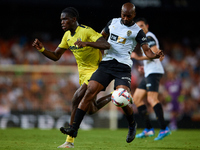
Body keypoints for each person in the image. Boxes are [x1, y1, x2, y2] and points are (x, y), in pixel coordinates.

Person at [60, 3, 164, 144]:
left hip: (123, 67)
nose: (126, 18)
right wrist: (89, 45)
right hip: (106, 64)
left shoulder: (137, 31)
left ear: (133, 15)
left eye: (129, 16)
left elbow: (147, 51)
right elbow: (101, 38)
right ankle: (74, 129)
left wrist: (155, 55)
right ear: (120, 13)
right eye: (124, 15)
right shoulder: (112, 22)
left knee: (121, 99)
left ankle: (132, 124)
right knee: (89, 92)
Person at [32, 7, 112, 148]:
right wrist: (42, 49)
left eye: (65, 19)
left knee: (76, 97)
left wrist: (87, 43)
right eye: (61, 20)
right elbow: (56, 56)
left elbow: (106, 44)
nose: (62, 22)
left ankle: (70, 140)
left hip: (96, 70)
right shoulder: (67, 36)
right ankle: (114, 96)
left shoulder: (86, 31)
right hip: (82, 73)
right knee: (91, 109)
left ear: (74, 19)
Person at [131, 18, 171, 140]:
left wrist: (137, 58)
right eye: (138, 26)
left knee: (151, 99)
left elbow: (153, 54)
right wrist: (145, 67)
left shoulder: (149, 36)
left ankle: (164, 128)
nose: (140, 28)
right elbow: (156, 55)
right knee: (137, 98)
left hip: (154, 72)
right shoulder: (144, 38)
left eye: (142, 25)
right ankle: (149, 129)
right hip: (149, 72)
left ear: (147, 26)